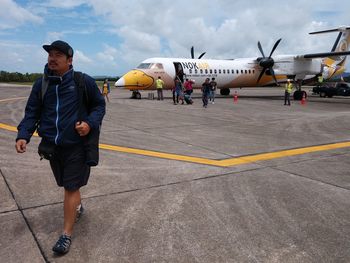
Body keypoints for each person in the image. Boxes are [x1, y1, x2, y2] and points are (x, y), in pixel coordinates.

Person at [15, 40, 106, 255]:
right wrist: (23, 135)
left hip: (77, 145)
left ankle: (66, 234)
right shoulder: (41, 84)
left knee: (70, 187)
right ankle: (78, 207)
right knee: (67, 184)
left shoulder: (82, 82)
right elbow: (32, 113)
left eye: (58, 55)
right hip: (52, 147)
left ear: (70, 60)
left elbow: (99, 105)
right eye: (50, 55)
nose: (52, 58)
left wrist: (89, 123)